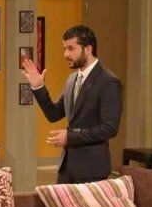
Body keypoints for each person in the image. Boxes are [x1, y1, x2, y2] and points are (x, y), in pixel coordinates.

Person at [21, 24, 122, 184]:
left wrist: (70, 137)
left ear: (87, 49)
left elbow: (109, 128)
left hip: (92, 169)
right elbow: (54, 114)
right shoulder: (72, 79)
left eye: (71, 48)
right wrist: (38, 87)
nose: (65, 54)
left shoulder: (108, 81)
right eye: (65, 49)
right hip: (67, 168)